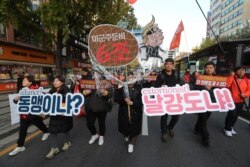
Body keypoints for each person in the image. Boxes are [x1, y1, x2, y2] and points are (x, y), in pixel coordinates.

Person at [9, 75, 49, 156]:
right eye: (23, 80)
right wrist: (15, 99)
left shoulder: (37, 89)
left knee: (39, 124)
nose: (23, 82)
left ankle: (46, 132)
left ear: (30, 82)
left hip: (33, 113)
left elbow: (44, 99)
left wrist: (43, 111)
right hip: (24, 114)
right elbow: (17, 101)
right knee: (22, 130)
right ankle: (20, 146)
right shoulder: (22, 90)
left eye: (25, 80)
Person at [154, 58, 181, 142]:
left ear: (173, 65)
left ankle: (170, 127)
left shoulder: (176, 74)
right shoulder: (160, 75)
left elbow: (180, 84)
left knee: (176, 117)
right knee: (164, 117)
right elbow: (156, 87)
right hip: (164, 99)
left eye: (170, 64)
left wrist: (180, 86)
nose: (168, 65)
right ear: (164, 65)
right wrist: (160, 87)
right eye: (167, 64)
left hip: (175, 99)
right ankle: (164, 132)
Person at [46, 76, 72, 159]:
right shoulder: (52, 90)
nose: (55, 82)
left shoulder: (66, 90)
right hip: (54, 115)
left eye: (57, 81)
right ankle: (54, 148)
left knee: (65, 129)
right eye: (54, 81)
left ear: (62, 82)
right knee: (52, 131)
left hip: (64, 115)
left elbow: (70, 102)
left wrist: (63, 109)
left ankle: (67, 142)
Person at [83, 74, 113, 146]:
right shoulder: (89, 84)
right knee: (89, 123)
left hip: (102, 108)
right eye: (95, 78)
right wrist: (85, 92)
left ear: (104, 80)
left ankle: (101, 136)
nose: (99, 80)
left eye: (101, 79)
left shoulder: (107, 85)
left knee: (101, 123)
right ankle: (94, 134)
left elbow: (110, 95)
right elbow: (83, 92)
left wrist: (104, 92)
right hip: (90, 107)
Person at [114, 81, 143, 153]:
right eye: (129, 79)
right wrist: (123, 99)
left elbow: (142, 100)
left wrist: (133, 103)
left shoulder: (139, 88)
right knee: (124, 127)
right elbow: (116, 98)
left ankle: (131, 143)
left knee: (134, 129)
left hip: (136, 112)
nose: (130, 81)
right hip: (124, 112)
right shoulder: (122, 88)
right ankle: (126, 135)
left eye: (132, 79)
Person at [194, 62, 216, 147]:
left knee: (205, 117)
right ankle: (205, 138)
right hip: (201, 102)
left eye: (211, 67)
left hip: (212, 102)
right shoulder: (199, 78)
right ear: (204, 69)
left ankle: (196, 128)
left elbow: (222, 90)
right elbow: (194, 88)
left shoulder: (218, 79)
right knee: (203, 119)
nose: (209, 69)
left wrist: (212, 88)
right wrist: (204, 88)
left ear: (214, 68)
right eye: (207, 67)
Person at [224, 66, 250, 137]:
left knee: (236, 115)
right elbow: (227, 85)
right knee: (232, 114)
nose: (241, 72)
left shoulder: (247, 80)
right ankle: (227, 128)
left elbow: (249, 90)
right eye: (239, 70)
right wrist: (232, 76)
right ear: (235, 71)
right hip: (230, 100)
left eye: (243, 70)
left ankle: (230, 126)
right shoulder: (232, 78)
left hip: (240, 101)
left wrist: (245, 94)